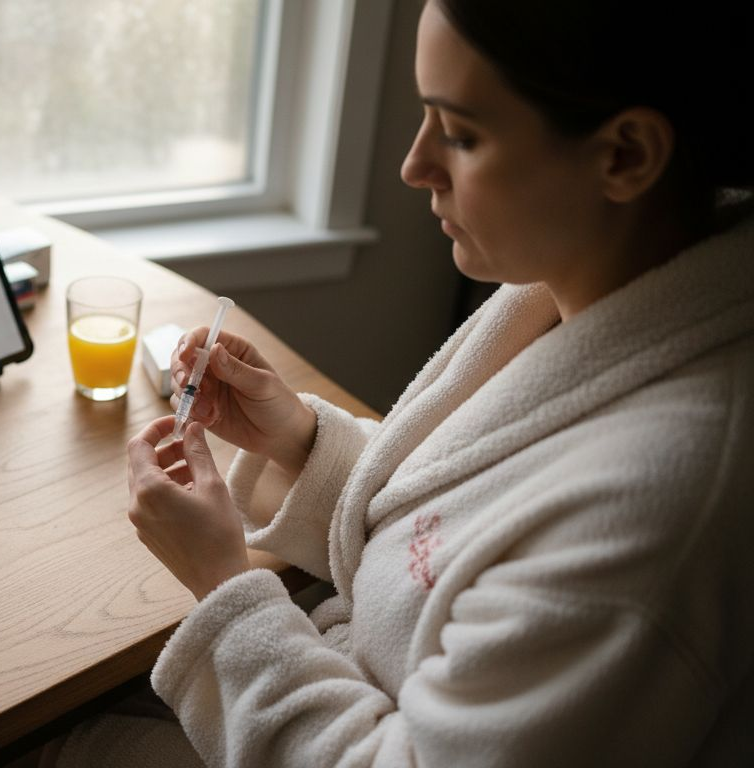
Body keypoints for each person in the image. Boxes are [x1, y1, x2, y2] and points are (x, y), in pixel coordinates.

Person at [105, 1, 754, 765]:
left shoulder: (657, 514)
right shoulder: (585, 293)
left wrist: (220, 584)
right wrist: (300, 440)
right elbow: (459, 531)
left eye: (460, 133)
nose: (414, 166)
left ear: (624, 156)